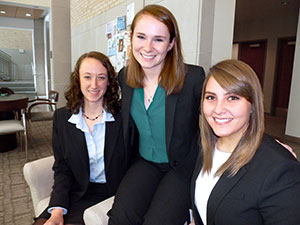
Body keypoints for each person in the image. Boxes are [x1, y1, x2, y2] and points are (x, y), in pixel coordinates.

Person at [108, 4, 205, 225]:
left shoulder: (192, 78)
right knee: (120, 217)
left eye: (158, 39)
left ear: (171, 43)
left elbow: (222, 115)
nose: (148, 47)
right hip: (145, 162)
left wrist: (265, 144)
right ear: (131, 37)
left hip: (181, 166)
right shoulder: (125, 77)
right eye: (141, 37)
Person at [190, 59, 300, 225]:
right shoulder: (205, 147)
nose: (218, 109)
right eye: (211, 97)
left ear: (253, 105)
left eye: (233, 98)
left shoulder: (280, 169)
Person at [34, 51, 134, 225]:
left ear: (109, 81)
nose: (94, 85)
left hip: (113, 193)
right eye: (87, 77)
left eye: (101, 77)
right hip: (77, 191)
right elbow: (62, 168)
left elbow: (135, 164)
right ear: (78, 79)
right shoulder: (62, 118)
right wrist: (57, 211)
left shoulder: (124, 117)